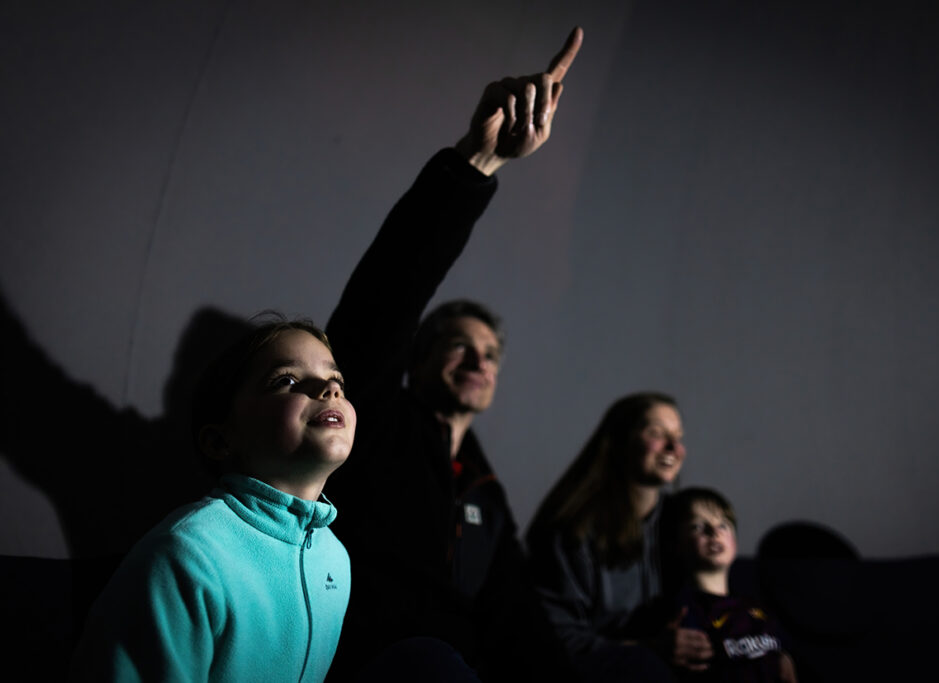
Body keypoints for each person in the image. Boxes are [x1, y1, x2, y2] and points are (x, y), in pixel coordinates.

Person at [322, 27, 584, 683]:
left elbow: (517, 621)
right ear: (417, 354)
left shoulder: (484, 487)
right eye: (459, 344)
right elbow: (386, 297)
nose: (479, 359)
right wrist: (478, 161)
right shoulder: (370, 419)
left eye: (490, 351)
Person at [70, 318, 355, 682]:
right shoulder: (187, 554)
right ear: (220, 441)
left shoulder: (336, 558)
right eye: (287, 381)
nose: (330, 389)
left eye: (338, 382)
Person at [525, 391, 712, 682]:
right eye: (657, 433)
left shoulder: (682, 521)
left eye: (678, 436)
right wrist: (648, 650)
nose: (674, 447)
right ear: (621, 441)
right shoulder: (572, 529)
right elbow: (558, 639)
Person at [661, 486, 798, 682]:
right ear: (676, 545)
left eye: (723, 525)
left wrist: (786, 659)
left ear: (735, 542)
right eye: (698, 526)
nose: (714, 532)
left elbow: (788, 657)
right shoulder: (683, 610)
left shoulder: (757, 607)